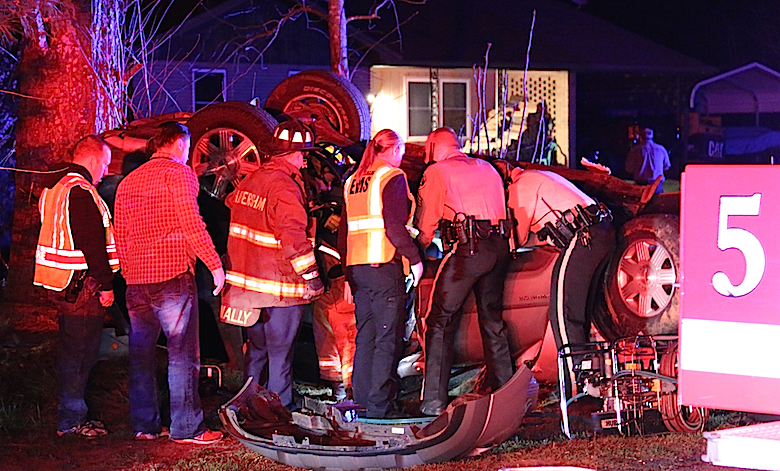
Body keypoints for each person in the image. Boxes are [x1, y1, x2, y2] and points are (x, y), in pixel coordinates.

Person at [114, 122, 225, 444]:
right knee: (182, 356)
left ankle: (145, 425)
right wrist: (214, 264)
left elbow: (120, 233)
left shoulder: (128, 181)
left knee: (142, 356)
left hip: (136, 282)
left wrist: (128, 269)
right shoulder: (178, 174)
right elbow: (191, 222)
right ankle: (187, 427)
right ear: (179, 144)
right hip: (172, 277)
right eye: (188, 149)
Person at [219, 120, 324, 410]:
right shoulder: (284, 187)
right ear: (289, 153)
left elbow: (233, 206)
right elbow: (293, 238)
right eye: (302, 153)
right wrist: (312, 277)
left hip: (247, 290)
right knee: (281, 355)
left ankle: (248, 405)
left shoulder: (251, 180)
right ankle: (280, 410)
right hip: (279, 289)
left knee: (256, 352)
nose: (304, 159)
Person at [415, 127, 514, 416]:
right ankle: (506, 394)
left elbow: (426, 224)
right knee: (492, 320)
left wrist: (416, 253)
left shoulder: (437, 171)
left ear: (434, 145)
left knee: (440, 320)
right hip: (499, 249)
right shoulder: (486, 167)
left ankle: (433, 401)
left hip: (468, 249)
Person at [34, 135, 119, 437]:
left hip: (61, 284)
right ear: (94, 160)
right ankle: (72, 420)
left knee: (73, 352)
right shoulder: (81, 192)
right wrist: (106, 284)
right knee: (81, 354)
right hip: (82, 288)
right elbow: (92, 245)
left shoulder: (54, 189)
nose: (106, 172)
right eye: (105, 165)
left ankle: (72, 416)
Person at [507, 167, 614, 398]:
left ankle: (577, 384)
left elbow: (518, 236)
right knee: (582, 311)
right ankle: (591, 380)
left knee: (562, 311)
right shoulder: (538, 176)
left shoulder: (519, 186)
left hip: (583, 234)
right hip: (601, 229)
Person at [341, 129, 423, 418]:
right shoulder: (391, 177)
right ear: (394, 149)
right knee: (387, 339)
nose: (402, 157)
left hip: (358, 268)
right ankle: (379, 407)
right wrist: (415, 259)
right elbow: (393, 226)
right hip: (384, 267)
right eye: (401, 151)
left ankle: (361, 401)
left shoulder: (353, 181)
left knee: (367, 337)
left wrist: (347, 275)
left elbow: (346, 231)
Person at [625, 127, 671, 194]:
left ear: (641, 136)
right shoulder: (661, 149)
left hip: (640, 184)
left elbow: (629, 169)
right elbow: (667, 166)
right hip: (657, 185)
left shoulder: (635, 150)